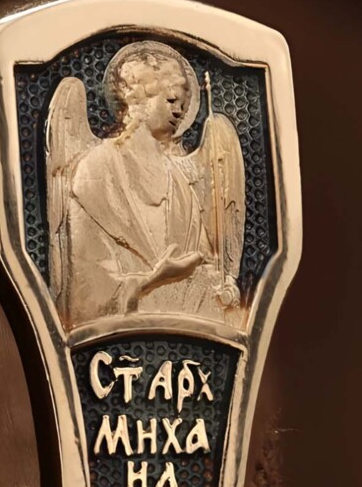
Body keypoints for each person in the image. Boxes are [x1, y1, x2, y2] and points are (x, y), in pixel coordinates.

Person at [46, 44, 244, 330]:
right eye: (171, 99)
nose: (179, 110)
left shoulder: (180, 183)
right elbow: (85, 291)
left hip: (183, 335)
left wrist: (220, 284)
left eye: (183, 104)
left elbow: (202, 259)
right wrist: (154, 279)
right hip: (116, 337)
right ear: (138, 95)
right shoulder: (96, 169)